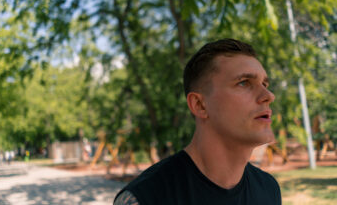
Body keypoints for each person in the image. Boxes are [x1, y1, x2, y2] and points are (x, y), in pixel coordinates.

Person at [114, 38, 281, 205]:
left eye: (265, 84)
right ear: (200, 105)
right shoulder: (144, 198)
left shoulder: (268, 189)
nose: (268, 95)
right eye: (244, 83)